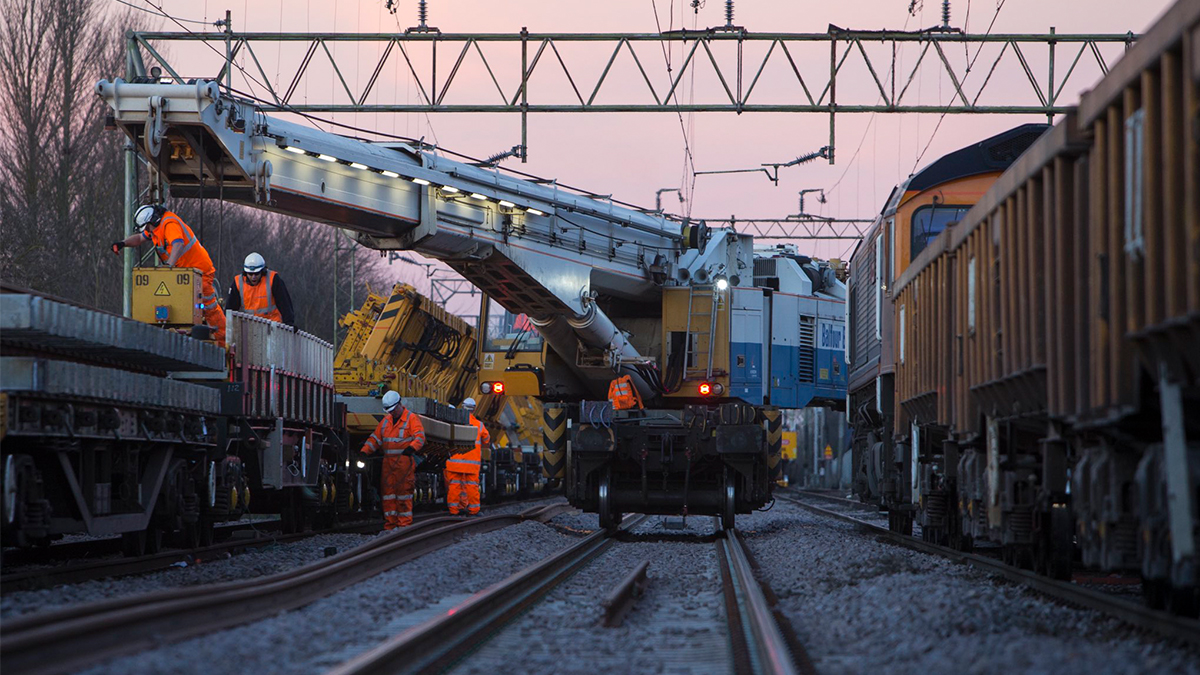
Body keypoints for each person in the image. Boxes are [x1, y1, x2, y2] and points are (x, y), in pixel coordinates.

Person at [111, 204, 225, 344]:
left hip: (199, 271)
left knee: (208, 307)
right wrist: (123, 243)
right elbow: (140, 238)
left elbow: (178, 245)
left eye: (147, 227)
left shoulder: (169, 224)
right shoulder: (155, 228)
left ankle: (222, 341)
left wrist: (167, 268)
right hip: (183, 273)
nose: (147, 231)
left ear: (151, 221)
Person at [358, 391, 425, 529]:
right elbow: (375, 439)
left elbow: (420, 437)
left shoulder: (412, 419)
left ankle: (404, 524)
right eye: (390, 411)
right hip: (388, 462)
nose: (392, 413)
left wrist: (411, 448)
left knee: (403, 493)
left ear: (400, 404)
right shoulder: (386, 421)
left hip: (404, 462)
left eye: (393, 410)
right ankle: (391, 524)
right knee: (388, 494)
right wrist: (364, 451)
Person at [226, 252, 295, 326]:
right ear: (245, 273)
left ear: (263, 272)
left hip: (272, 327)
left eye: (256, 274)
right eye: (250, 274)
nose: (253, 277)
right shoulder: (238, 283)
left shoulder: (273, 280)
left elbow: (284, 303)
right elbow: (230, 309)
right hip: (249, 328)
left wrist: (289, 323)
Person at [446, 397, 488, 516]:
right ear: (474, 409)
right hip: (471, 463)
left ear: (462, 407)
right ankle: (473, 510)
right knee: (472, 486)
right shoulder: (479, 425)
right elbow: (486, 439)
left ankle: (453, 510)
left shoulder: (454, 422)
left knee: (454, 485)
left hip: (455, 462)